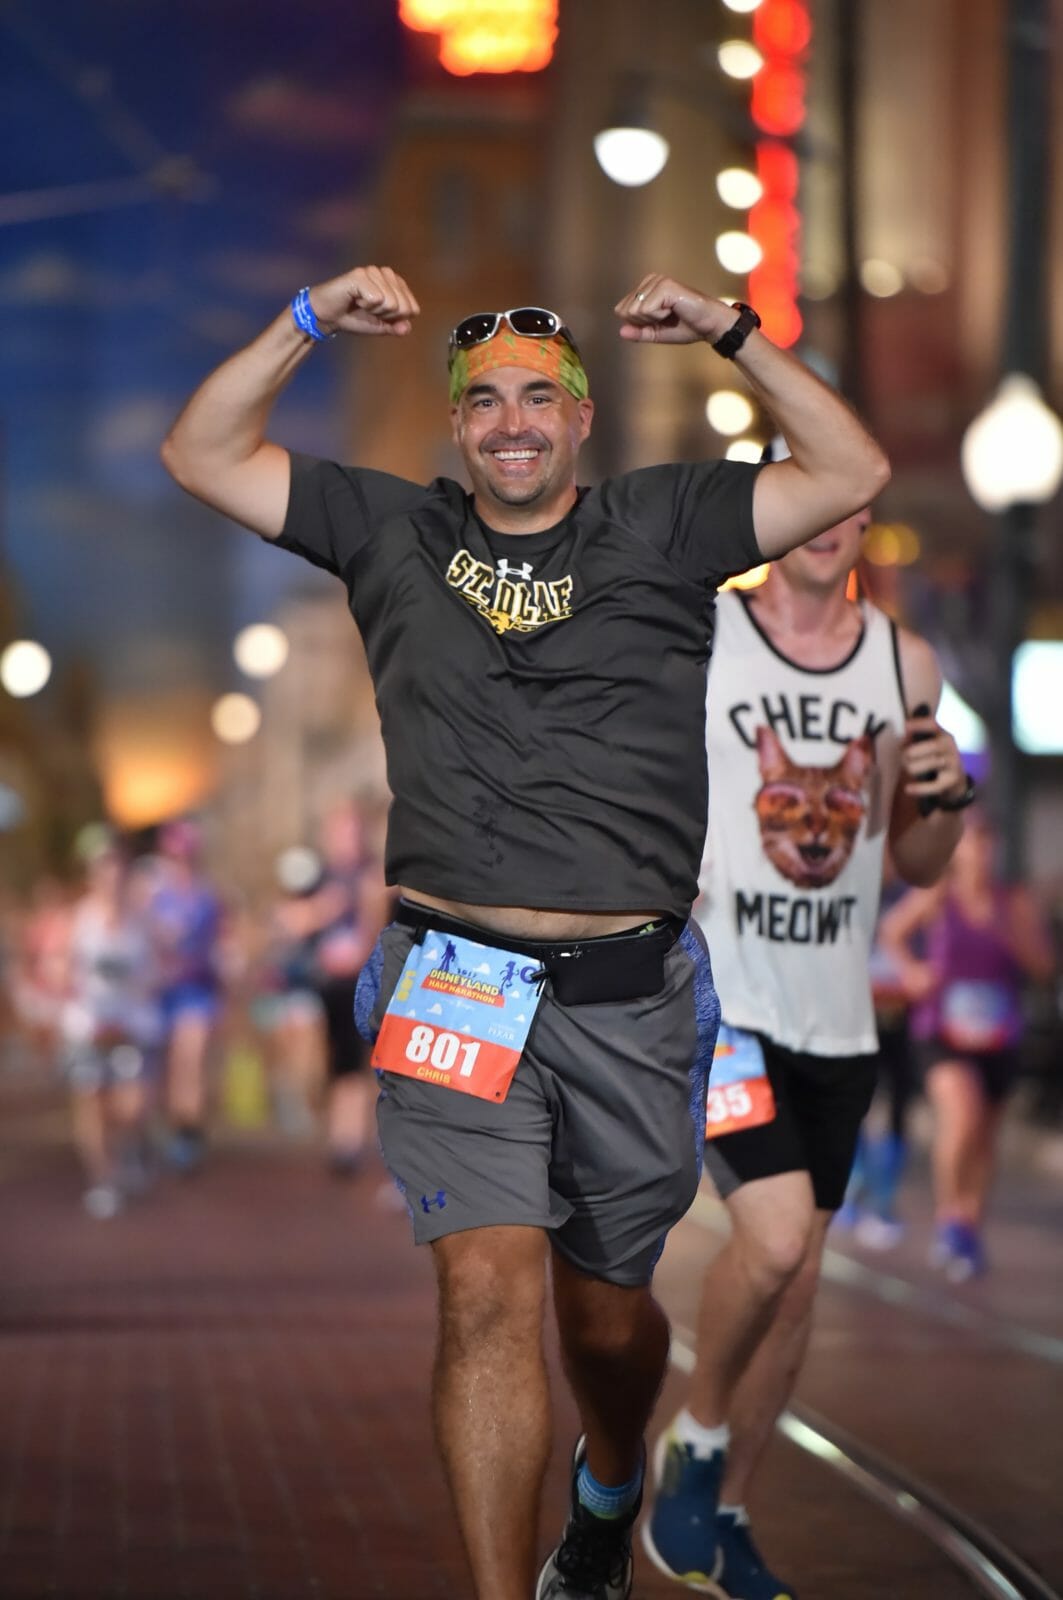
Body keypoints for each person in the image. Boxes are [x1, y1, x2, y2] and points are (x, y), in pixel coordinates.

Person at [161, 264, 888, 1600]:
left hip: (626, 998)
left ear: (579, 419)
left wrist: (728, 331)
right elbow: (200, 450)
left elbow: (845, 464)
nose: (511, 421)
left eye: (537, 400)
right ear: (453, 426)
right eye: (484, 399)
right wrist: (307, 322)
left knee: (606, 1323)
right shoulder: (390, 530)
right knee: (483, 1289)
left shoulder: (666, 522)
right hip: (455, 980)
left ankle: (608, 1486)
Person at [644, 441, 971, 1599]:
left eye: (844, 502)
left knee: (800, 1277)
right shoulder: (706, 634)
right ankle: (693, 1438)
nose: (823, 520)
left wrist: (945, 800)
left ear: (865, 515)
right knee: (772, 1238)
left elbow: (919, 863)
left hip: (840, 1013)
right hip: (724, 996)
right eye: (801, 495)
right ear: (769, 509)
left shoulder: (905, 660)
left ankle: (722, 1512)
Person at [877, 808, 1053, 1280]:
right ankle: (950, 1217)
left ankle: (969, 1223)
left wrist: (1013, 935)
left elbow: (1042, 967)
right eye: (972, 843)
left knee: (985, 1135)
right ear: (956, 851)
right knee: (964, 1114)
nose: (980, 853)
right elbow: (892, 932)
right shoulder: (937, 895)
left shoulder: (1011, 903)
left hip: (999, 1036)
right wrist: (912, 972)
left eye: (987, 844)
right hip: (943, 1033)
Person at [59, 833, 161, 1218]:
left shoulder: (142, 921)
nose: (111, 880)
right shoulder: (79, 920)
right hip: (89, 1026)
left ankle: (132, 1146)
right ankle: (103, 1179)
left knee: (131, 1107)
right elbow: (63, 970)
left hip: (132, 1026)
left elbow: (156, 973)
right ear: (93, 876)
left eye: (118, 871)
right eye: (104, 872)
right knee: (90, 1101)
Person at [149, 819, 223, 1172]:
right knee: (168, 1069)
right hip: (163, 993)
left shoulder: (207, 898)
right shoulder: (153, 897)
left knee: (189, 1061)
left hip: (197, 992)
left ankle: (188, 1133)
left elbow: (217, 945)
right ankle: (178, 1127)